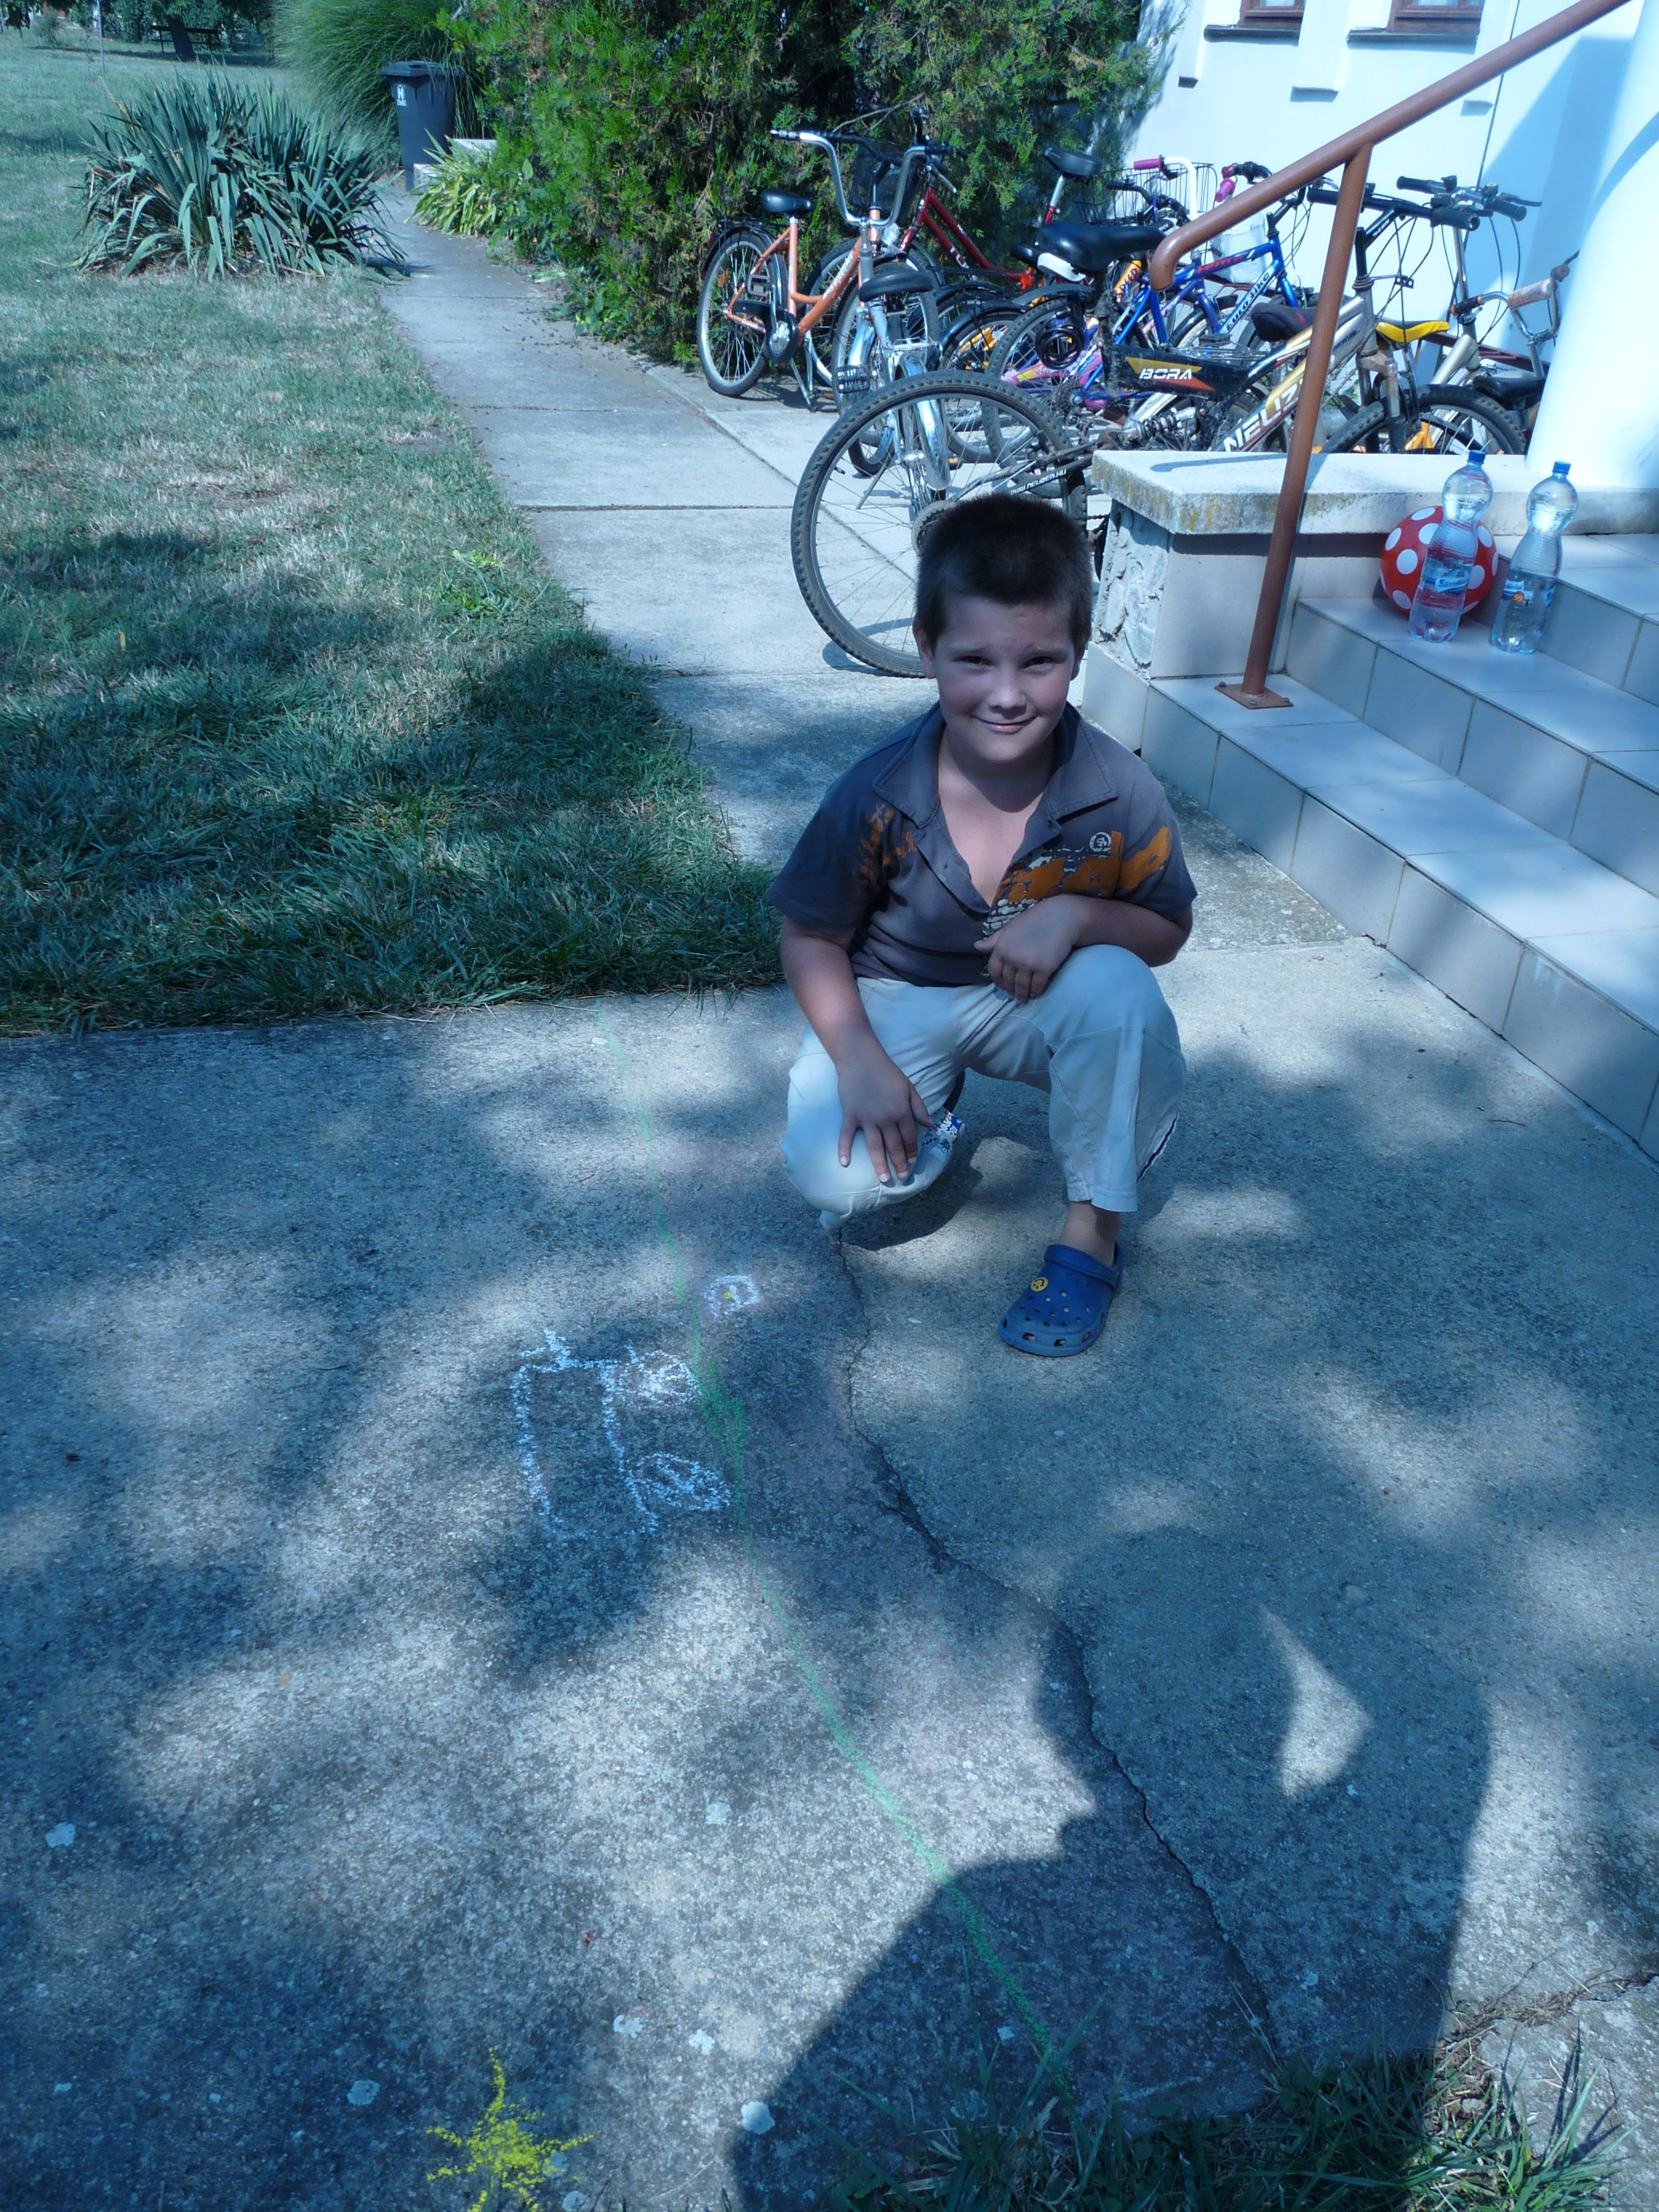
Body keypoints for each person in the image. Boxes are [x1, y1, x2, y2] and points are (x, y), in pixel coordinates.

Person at [768, 493, 1195, 1357]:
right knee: (835, 1180)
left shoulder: (1119, 790)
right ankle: (935, 1112)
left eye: (1039, 662)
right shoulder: (877, 791)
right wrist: (859, 1059)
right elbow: (809, 936)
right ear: (927, 648)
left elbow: (1166, 927)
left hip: (1039, 1001)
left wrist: (1076, 914)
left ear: (1079, 652)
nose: (1006, 695)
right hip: (897, 994)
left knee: (1120, 991)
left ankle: (1092, 1237)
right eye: (974, 660)